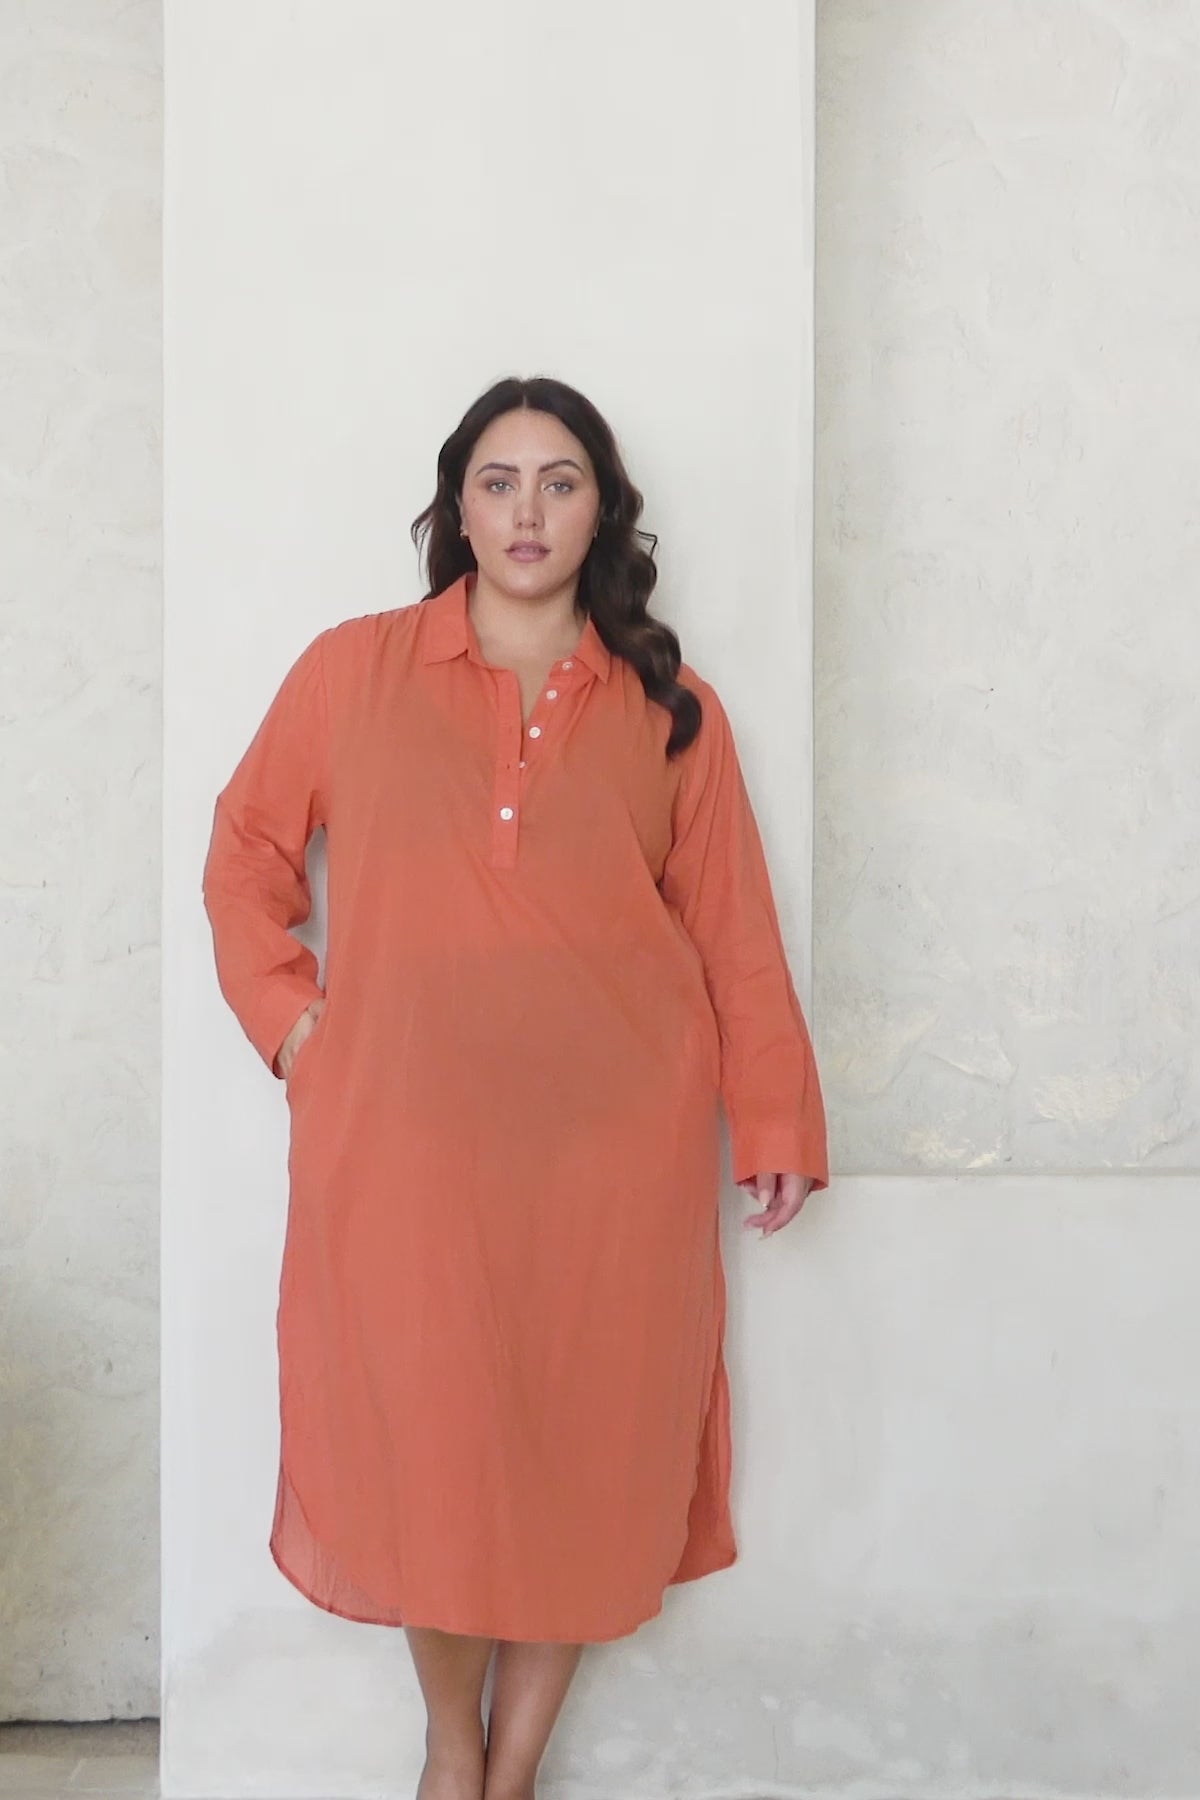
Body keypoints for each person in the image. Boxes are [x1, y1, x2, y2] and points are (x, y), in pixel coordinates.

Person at [201, 374, 829, 1800]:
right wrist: (295, 1026)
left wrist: (775, 1118)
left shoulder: (673, 710)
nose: (528, 510)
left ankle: (516, 1767)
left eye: (561, 480)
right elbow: (244, 853)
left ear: (603, 511)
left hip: (615, 1154)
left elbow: (732, 928)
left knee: (583, 1449)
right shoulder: (352, 672)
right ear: (458, 507)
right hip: (406, 1145)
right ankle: (452, 1743)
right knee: (432, 1446)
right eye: (499, 481)